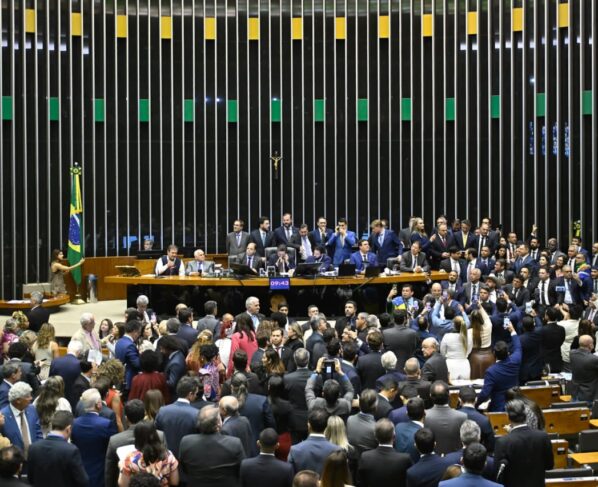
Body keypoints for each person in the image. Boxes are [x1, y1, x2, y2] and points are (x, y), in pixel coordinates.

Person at [178, 405, 246, 487]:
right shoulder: (234, 443)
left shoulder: (186, 442)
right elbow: (242, 469)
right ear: (218, 424)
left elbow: (184, 468)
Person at [106, 399, 167, 487]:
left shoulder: (115, 441)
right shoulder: (159, 436)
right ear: (145, 414)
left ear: (126, 418)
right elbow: (166, 463)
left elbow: (110, 473)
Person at [493, 399, 553, 487]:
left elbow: (497, 474)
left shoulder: (503, 442)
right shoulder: (543, 437)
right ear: (525, 415)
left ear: (508, 416)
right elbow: (549, 465)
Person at [26, 410, 89, 487]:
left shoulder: (33, 448)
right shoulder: (71, 450)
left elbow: (30, 478)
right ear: (68, 429)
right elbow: (83, 481)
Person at [71, 388, 118, 487]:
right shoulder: (106, 424)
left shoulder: (74, 423)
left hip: (79, 471)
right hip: (100, 471)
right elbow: (113, 447)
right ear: (98, 404)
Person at [476, 322, 522, 412]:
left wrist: (476, 404)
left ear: (494, 354)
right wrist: (512, 330)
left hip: (499, 408)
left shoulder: (491, 372)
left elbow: (485, 393)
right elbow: (518, 347)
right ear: (508, 353)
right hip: (516, 406)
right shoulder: (516, 360)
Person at [117, 421, 179, 487]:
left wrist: (121, 467)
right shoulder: (168, 455)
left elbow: (123, 484)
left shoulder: (130, 459)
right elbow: (174, 482)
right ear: (156, 434)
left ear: (137, 437)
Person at [154, 377, 200, 459]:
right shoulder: (196, 413)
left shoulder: (162, 411)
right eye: (196, 394)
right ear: (190, 394)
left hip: (166, 458)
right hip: (188, 458)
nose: (196, 396)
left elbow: (156, 434)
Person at [358, 418, 412, 487]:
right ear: (394, 437)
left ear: (375, 437)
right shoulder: (405, 459)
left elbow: (360, 483)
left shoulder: (365, 457)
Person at [288, 408, 340, 475]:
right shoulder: (337, 450)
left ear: (309, 426)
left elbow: (290, 476)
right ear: (327, 427)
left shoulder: (295, 450)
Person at [0, 382, 43, 461]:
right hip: (15, 463)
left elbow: (38, 431)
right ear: (18, 400)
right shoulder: (2, 416)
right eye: (27, 396)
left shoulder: (32, 409)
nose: (31, 398)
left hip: (34, 459)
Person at [423, 381, 467, 455]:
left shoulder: (423, 416)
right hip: (455, 460)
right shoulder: (463, 417)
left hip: (433, 460)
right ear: (449, 395)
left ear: (430, 396)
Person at [284, 348, 312, 444]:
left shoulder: (287, 378)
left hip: (293, 418)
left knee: (295, 446)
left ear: (295, 361)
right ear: (308, 360)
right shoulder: (316, 377)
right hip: (312, 418)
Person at [346, 389, 378, 458]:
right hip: (369, 460)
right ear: (375, 406)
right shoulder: (376, 428)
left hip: (351, 458)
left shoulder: (350, 419)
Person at [267, 375, 293, 460]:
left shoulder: (264, 404)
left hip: (267, 438)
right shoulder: (288, 405)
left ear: (269, 387)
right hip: (283, 439)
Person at [116, 320, 143, 396]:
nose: (139, 335)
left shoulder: (119, 341)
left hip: (121, 377)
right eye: (139, 333)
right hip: (129, 380)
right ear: (134, 332)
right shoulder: (130, 345)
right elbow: (137, 364)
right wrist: (142, 355)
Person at [570, 335, 598, 403]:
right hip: (588, 395)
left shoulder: (572, 354)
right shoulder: (594, 359)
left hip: (574, 392)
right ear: (590, 345)